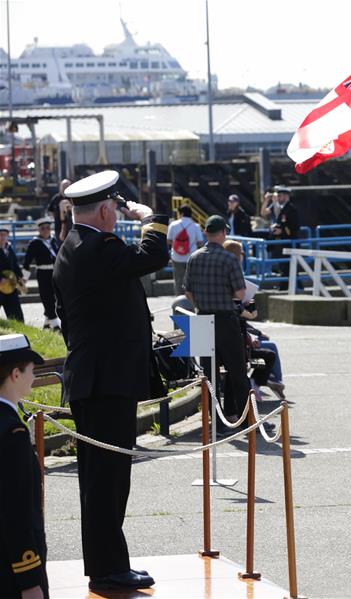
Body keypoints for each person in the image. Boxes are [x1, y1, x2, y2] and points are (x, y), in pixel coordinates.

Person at [53, 169, 166, 591]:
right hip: (104, 384)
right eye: (114, 210)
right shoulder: (98, 247)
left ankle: (108, 565)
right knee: (107, 482)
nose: (117, 217)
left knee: (105, 481)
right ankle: (107, 570)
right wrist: (151, 217)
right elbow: (153, 257)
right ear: (105, 210)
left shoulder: (76, 245)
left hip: (97, 380)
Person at [184, 215, 250, 420]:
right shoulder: (229, 259)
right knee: (237, 371)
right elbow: (240, 293)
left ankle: (214, 422)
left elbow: (188, 292)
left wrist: (200, 305)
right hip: (224, 319)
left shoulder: (193, 257)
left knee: (208, 375)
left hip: (201, 319)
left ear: (205, 232)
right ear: (222, 233)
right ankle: (245, 418)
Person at [0, 334, 49, 599]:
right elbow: (15, 511)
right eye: (31, 370)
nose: (34, 377)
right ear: (15, 374)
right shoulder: (12, 432)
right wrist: (29, 579)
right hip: (11, 572)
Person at [221, 240, 285, 399]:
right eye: (241, 253)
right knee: (270, 352)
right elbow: (243, 311)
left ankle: (271, 381)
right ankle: (266, 382)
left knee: (269, 348)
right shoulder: (234, 277)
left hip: (238, 330)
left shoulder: (228, 275)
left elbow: (248, 311)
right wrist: (249, 315)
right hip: (236, 335)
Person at [22, 218, 62, 329]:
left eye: (48, 228)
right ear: (39, 230)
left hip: (54, 272)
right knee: (46, 297)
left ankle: (46, 322)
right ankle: (54, 324)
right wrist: (24, 279)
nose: (45, 230)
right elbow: (27, 261)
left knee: (54, 297)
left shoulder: (53, 240)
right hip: (43, 273)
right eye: (42, 228)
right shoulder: (34, 243)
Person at [166, 206, 204, 295]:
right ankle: (191, 302)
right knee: (192, 280)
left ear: (181, 213)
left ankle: (179, 301)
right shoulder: (196, 226)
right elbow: (200, 242)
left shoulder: (173, 224)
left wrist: (179, 245)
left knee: (178, 280)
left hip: (176, 257)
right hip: (192, 257)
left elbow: (168, 240)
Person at [0, 225, 25, 322]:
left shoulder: (9, 248)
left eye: (4, 235)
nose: (2, 237)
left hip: (11, 286)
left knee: (16, 315)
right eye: (0, 235)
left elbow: (15, 265)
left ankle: (20, 332)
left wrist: (20, 277)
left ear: (7, 236)